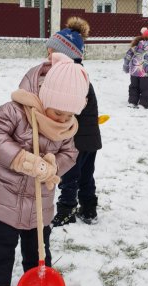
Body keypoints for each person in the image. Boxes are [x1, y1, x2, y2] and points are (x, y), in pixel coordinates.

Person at [0, 53, 89, 286]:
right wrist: (21, 159)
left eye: (69, 115)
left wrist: (53, 165)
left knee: (38, 243)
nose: (62, 119)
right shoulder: (17, 111)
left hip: (41, 199)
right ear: (45, 98)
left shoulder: (66, 126)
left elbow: (70, 153)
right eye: (58, 112)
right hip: (6, 194)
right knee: (2, 242)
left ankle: (38, 281)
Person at [26, 17, 103, 226]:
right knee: (86, 175)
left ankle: (67, 210)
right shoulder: (79, 73)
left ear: (65, 55)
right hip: (89, 137)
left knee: (70, 175)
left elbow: (62, 108)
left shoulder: (69, 76)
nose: (48, 55)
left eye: (53, 52)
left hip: (76, 137)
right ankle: (89, 209)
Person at [123, 27, 148, 109]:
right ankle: (143, 104)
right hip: (145, 74)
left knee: (134, 87)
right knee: (146, 89)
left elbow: (128, 56)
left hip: (134, 72)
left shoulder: (136, 47)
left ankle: (132, 102)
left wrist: (126, 65)